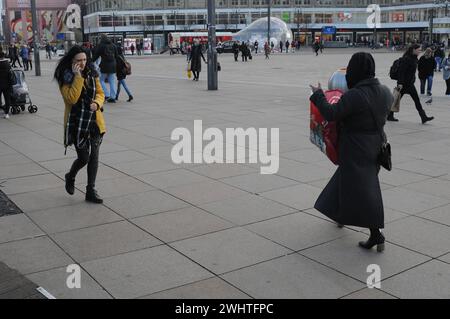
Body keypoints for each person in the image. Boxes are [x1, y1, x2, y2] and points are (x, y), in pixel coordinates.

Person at [309, 52, 394, 252]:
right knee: (348, 181)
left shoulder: (356, 95)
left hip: (355, 146)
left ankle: (376, 234)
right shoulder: (384, 91)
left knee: (365, 190)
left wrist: (318, 94)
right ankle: (340, 215)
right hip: (376, 144)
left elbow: (332, 113)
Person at [54, 45, 106, 204]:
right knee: (84, 158)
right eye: (79, 60)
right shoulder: (66, 77)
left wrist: (97, 103)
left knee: (94, 157)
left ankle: (91, 190)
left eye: (84, 59)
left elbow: (100, 93)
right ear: (72, 61)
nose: (83, 63)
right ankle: (70, 176)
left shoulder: (92, 72)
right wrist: (77, 77)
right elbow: (71, 99)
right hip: (77, 124)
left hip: (94, 121)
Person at [387, 44, 434, 123]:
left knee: (415, 100)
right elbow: (402, 72)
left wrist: (428, 56)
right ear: (413, 50)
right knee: (396, 100)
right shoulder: (407, 59)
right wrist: (400, 83)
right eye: (419, 50)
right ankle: (389, 115)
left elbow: (421, 63)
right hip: (404, 84)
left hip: (409, 84)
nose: (420, 51)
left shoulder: (414, 59)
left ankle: (423, 117)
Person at [92, 34, 118, 103]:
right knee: (112, 81)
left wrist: (90, 61)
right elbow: (116, 56)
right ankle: (113, 97)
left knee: (101, 80)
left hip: (104, 65)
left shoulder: (101, 46)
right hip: (113, 65)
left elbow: (96, 55)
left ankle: (106, 94)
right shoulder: (113, 45)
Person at [0, 51, 13, 119]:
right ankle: (6, 113)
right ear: (3, 56)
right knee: (7, 99)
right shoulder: (7, 64)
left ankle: (1, 107)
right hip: (7, 84)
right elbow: (10, 75)